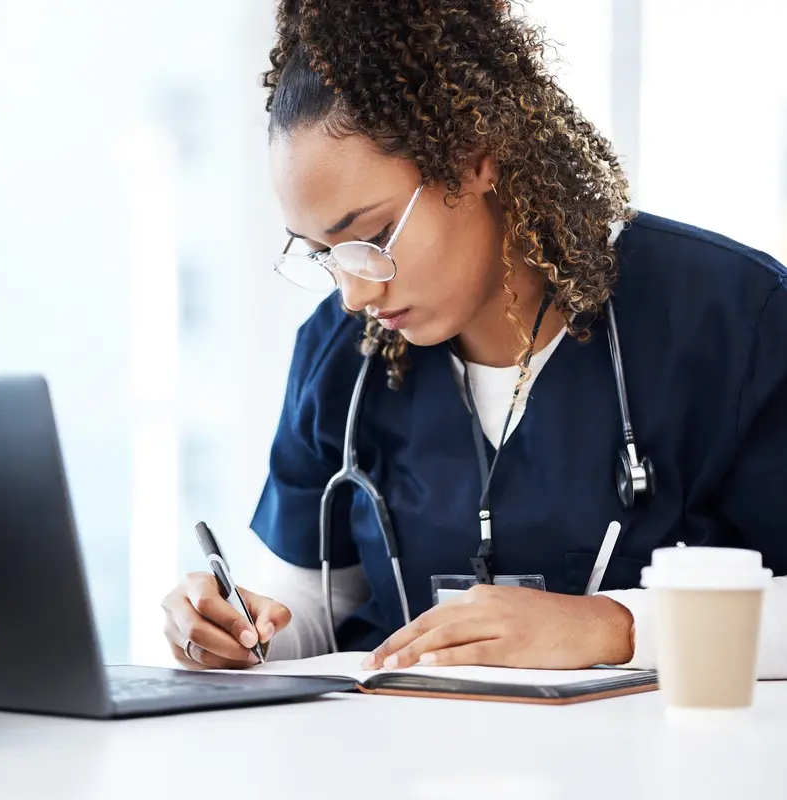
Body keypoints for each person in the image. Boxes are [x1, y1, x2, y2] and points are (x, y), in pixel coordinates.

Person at [161, 0, 787, 675]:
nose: (355, 292)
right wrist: (236, 630)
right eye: (323, 253)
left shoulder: (731, 317)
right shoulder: (340, 352)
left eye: (370, 239)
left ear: (478, 155)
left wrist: (617, 629)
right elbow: (312, 605)